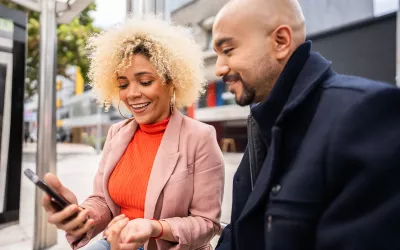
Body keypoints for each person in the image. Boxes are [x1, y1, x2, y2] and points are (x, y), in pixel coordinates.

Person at [212, 0, 400, 249]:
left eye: (228, 50)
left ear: (281, 41)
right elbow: (240, 234)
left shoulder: (365, 114)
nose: (218, 68)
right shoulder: (262, 123)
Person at [41, 14, 224, 250]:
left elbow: (207, 223)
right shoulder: (117, 133)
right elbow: (103, 201)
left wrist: (155, 227)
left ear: (173, 81)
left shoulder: (200, 137)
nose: (132, 94)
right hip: (115, 243)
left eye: (145, 81)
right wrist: (82, 216)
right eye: (123, 84)